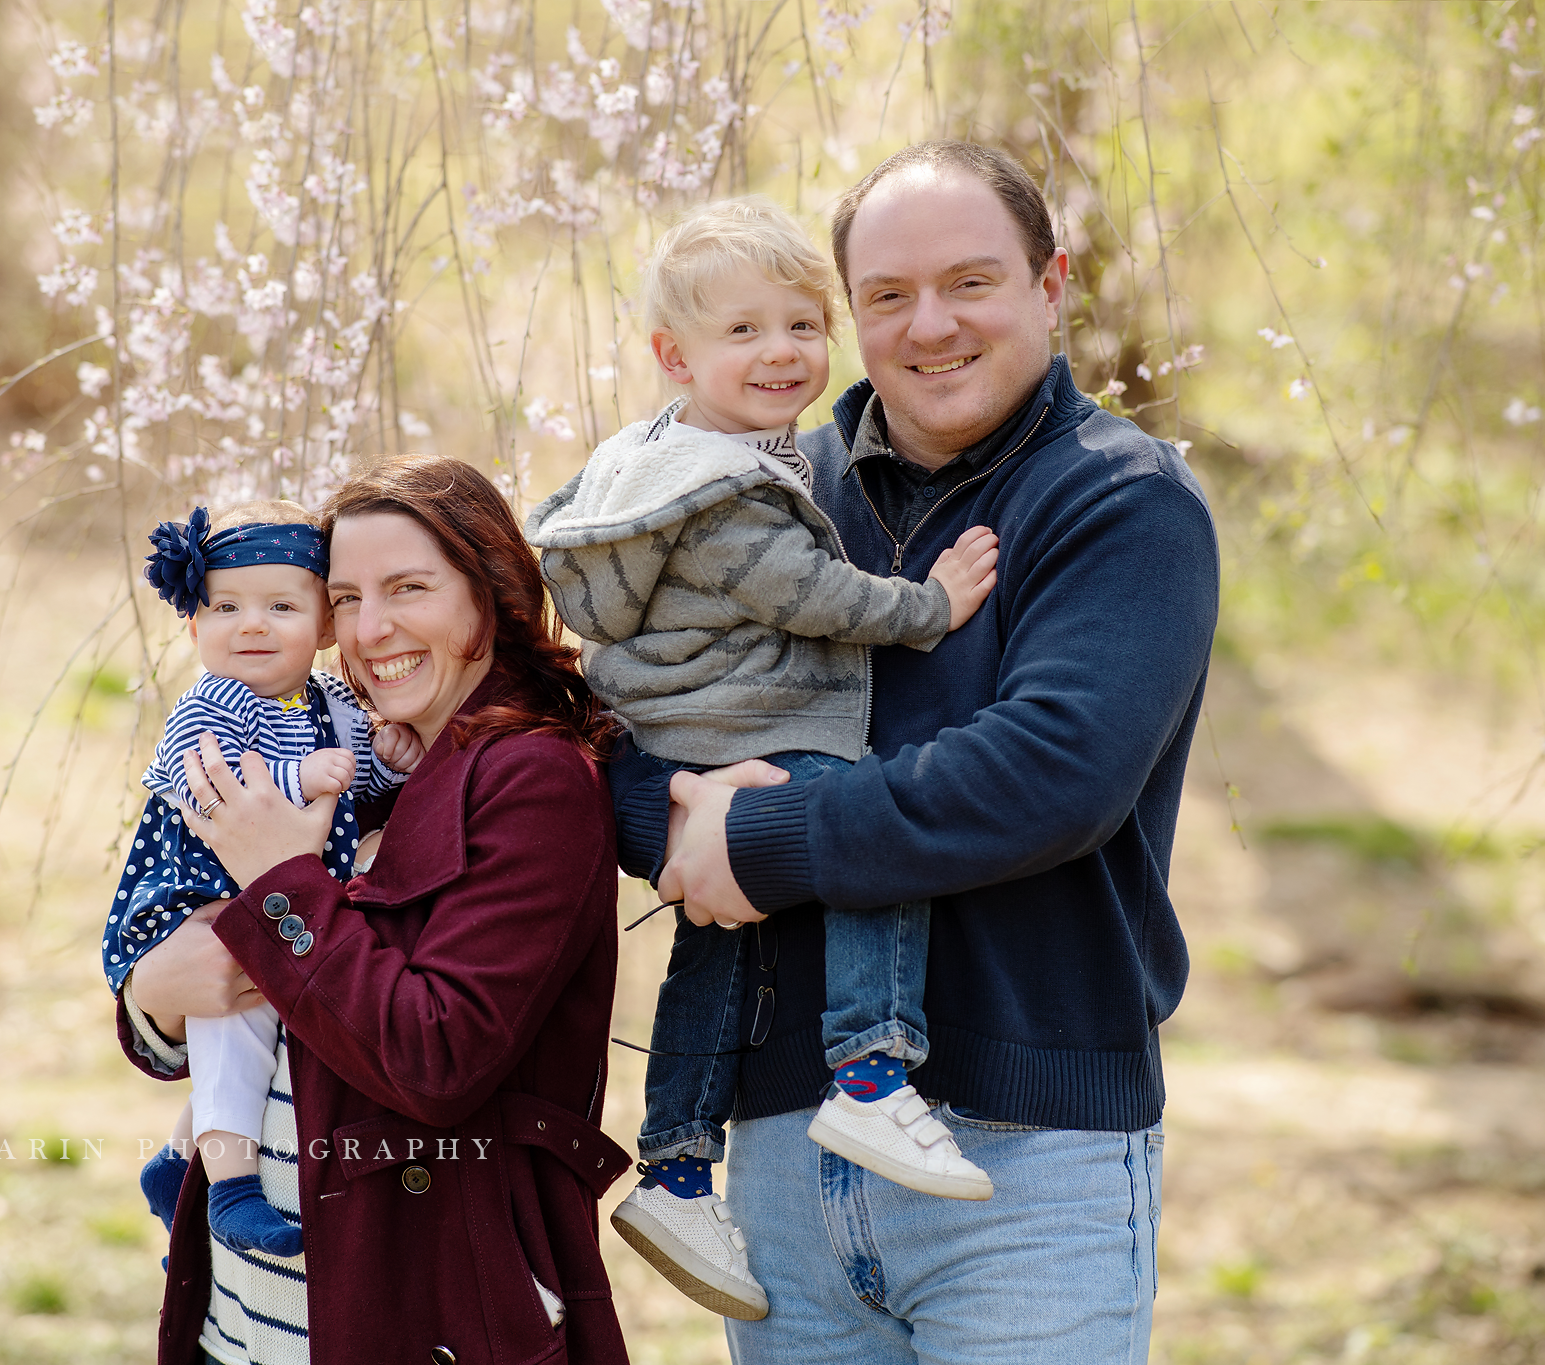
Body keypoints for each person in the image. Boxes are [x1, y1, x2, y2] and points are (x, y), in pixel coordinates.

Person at [614, 142, 1219, 1362]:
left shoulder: (1119, 500)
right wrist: (674, 825)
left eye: (969, 283)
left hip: (1026, 1163)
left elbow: (1047, 775)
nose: (928, 324)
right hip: (781, 1153)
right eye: (887, 296)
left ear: (1049, 287)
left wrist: (763, 842)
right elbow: (633, 716)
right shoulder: (757, 494)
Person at [524, 197, 1002, 1324]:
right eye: (743, 333)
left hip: (686, 742)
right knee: (875, 840)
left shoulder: (653, 465)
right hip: (753, 734)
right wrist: (930, 604)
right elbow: (810, 595)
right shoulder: (724, 489)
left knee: (718, 949)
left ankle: (679, 1170)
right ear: (670, 357)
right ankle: (873, 1071)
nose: (781, 352)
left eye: (800, 324)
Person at [115, 456, 633, 1365]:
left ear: (490, 592)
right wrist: (154, 998)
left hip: (417, 1298)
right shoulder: (351, 749)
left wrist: (280, 876)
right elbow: (235, 982)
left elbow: (436, 1054)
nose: (371, 627)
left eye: (408, 588)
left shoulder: (533, 779)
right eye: (346, 597)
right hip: (249, 1312)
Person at [107, 499, 424, 1261]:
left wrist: (391, 762)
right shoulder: (213, 700)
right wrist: (296, 773)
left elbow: (357, 775)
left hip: (274, 893)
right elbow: (191, 781)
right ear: (193, 626)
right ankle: (232, 1187)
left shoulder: (331, 700)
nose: (250, 625)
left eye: (280, 605)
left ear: (323, 627)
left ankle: (179, 1160)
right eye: (225, 606)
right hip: (199, 893)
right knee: (237, 1018)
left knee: (272, 1017)